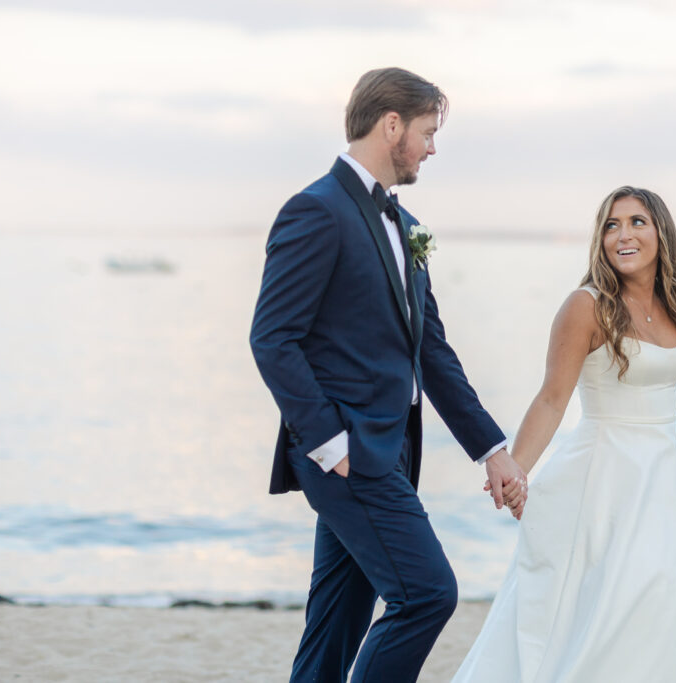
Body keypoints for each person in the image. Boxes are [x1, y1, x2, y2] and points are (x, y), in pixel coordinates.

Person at [250, 67, 527, 683]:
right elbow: (272, 338)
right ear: (391, 124)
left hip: (394, 450)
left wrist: (491, 449)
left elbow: (431, 351)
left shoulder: (404, 226)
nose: (433, 147)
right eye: (428, 132)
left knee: (336, 625)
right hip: (349, 454)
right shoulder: (315, 211)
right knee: (428, 594)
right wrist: (329, 444)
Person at [454, 186, 676, 682]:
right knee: (608, 609)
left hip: (662, 487)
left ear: (661, 233)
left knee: (666, 602)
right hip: (604, 483)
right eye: (612, 225)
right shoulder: (586, 306)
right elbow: (552, 399)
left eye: (637, 222)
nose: (623, 235)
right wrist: (514, 468)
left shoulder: (670, 305)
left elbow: (673, 397)